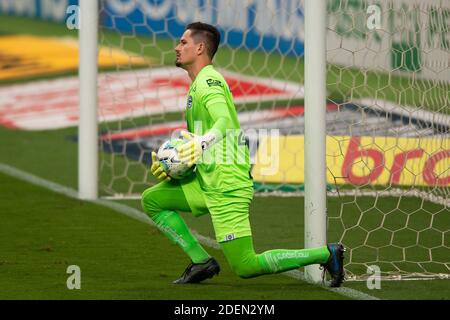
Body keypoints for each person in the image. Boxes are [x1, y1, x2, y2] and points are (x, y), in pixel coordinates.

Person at [141, 22, 345, 287]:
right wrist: (174, 166)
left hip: (226, 185)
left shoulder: (208, 83)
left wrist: (201, 143)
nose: (177, 47)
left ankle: (327, 254)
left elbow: (224, 121)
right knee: (153, 200)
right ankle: (201, 261)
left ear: (200, 47)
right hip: (206, 180)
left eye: (183, 42)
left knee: (246, 265)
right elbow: (206, 138)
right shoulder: (197, 84)